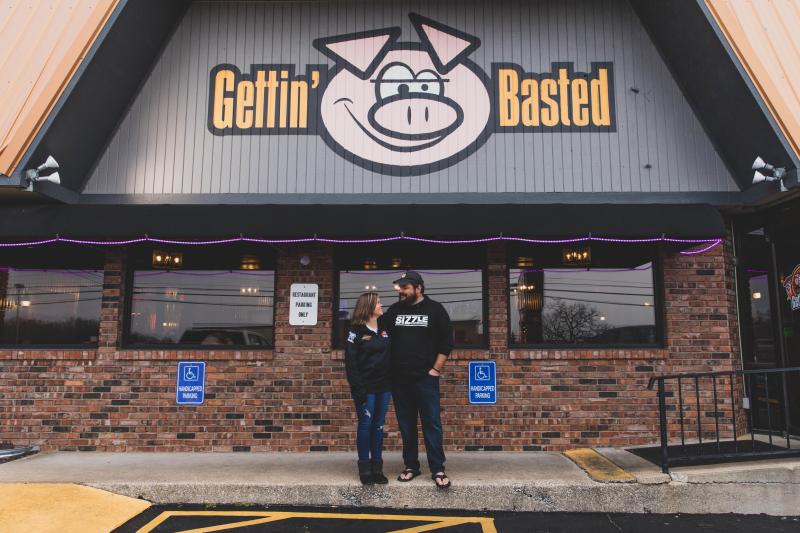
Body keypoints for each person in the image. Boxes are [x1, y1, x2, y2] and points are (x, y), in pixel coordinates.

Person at [381, 271, 453, 489]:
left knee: (431, 423)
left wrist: (435, 370)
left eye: (405, 288)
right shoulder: (394, 311)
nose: (401, 292)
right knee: (406, 425)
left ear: (418, 288)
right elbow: (381, 335)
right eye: (400, 288)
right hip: (400, 379)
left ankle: (438, 468)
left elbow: (446, 342)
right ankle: (411, 465)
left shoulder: (435, 310)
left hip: (425, 379)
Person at [344, 292, 392, 484]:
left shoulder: (385, 328)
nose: (381, 305)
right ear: (368, 307)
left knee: (379, 427)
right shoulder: (355, 332)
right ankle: (364, 468)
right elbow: (351, 364)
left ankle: (377, 468)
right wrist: (358, 390)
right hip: (366, 389)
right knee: (366, 426)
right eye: (378, 302)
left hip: (384, 387)